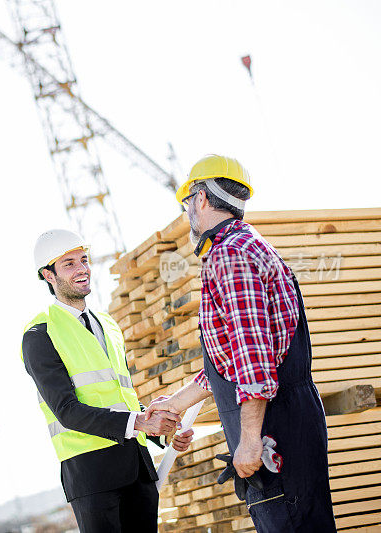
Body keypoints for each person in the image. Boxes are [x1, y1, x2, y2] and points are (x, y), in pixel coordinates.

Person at [145, 154, 337, 532]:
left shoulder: (229, 254)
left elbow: (252, 357)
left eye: (188, 204)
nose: (188, 214)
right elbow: (230, 359)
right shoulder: (246, 245)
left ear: (200, 199)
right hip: (287, 418)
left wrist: (250, 439)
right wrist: (175, 403)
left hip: (272, 432)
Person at [21, 229, 194, 533]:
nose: (82, 269)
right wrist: (141, 422)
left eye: (83, 260)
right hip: (92, 474)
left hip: (137, 467)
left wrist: (162, 433)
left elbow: (121, 397)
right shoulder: (40, 335)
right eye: (69, 264)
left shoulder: (109, 325)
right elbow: (67, 411)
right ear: (48, 275)